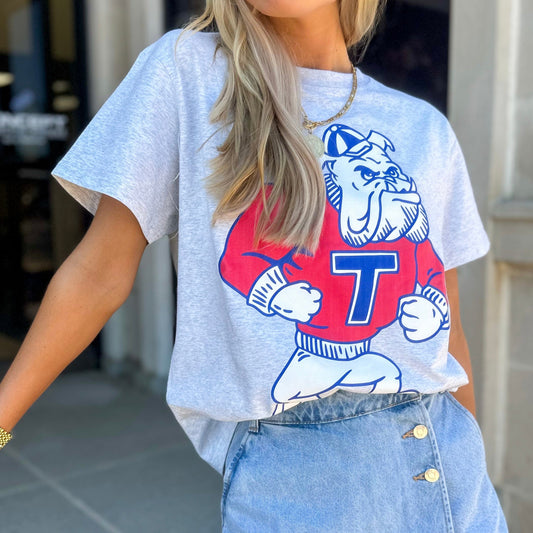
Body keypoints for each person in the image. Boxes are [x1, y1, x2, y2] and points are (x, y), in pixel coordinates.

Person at [0, 0, 509, 531]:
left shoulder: (424, 128)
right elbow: (98, 272)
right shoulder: (187, 72)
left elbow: (448, 325)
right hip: (294, 474)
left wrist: (472, 458)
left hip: (450, 469)